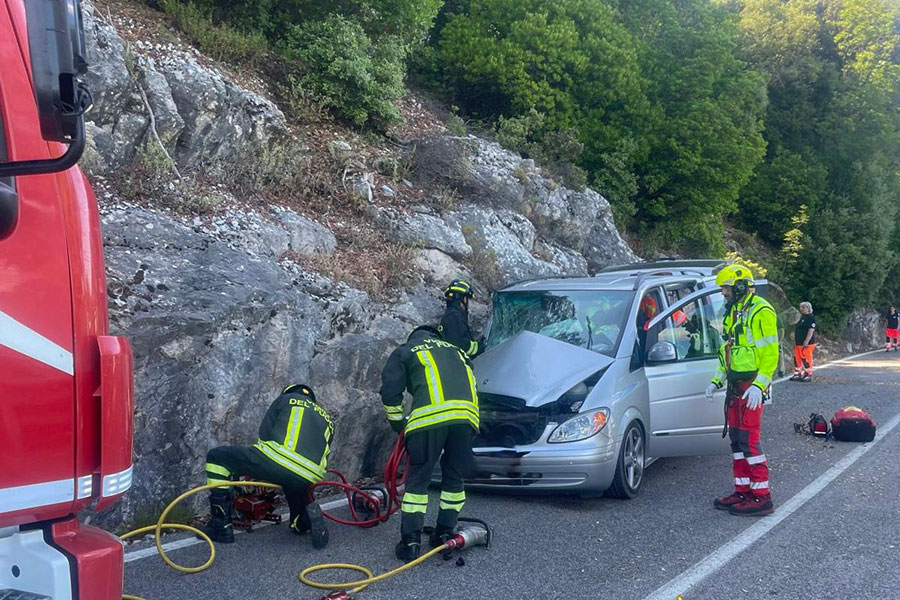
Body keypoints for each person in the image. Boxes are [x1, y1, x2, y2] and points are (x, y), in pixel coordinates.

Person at [380, 325, 479, 562]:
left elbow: (390, 391)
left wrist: (397, 423)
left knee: (418, 480)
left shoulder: (407, 350)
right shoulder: (457, 351)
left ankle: (411, 542)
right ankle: (445, 533)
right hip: (466, 418)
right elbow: (471, 383)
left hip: (428, 421)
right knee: (454, 477)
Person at [203, 384, 334, 548]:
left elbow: (264, 435)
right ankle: (303, 521)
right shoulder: (327, 419)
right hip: (308, 475)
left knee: (217, 457)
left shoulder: (285, 400)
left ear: (287, 392)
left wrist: (249, 470)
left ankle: (221, 527)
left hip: (279, 462)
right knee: (297, 514)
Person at [704, 265, 778, 517]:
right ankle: (743, 491)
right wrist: (717, 380)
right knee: (736, 439)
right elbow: (728, 350)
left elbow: (771, 352)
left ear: (738, 286)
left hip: (752, 385)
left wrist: (761, 385)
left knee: (749, 441)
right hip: (736, 386)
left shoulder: (761, 311)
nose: (723, 293)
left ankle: (762, 496)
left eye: (725, 288)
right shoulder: (734, 311)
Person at [439, 279, 480, 358]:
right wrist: (480, 347)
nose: (468, 303)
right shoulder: (454, 317)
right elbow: (463, 347)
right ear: (462, 299)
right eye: (467, 299)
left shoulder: (451, 316)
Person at [791, 302, 816, 381]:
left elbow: (811, 330)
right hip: (799, 342)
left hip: (806, 343)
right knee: (797, 358)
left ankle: (808, 374)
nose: (801, 309)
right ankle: (797, 373)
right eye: (801, 307)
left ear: (808, 308)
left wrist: (806, 341)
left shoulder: (810, 317)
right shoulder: (803, 317)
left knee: (806, 359)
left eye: (803, 307)